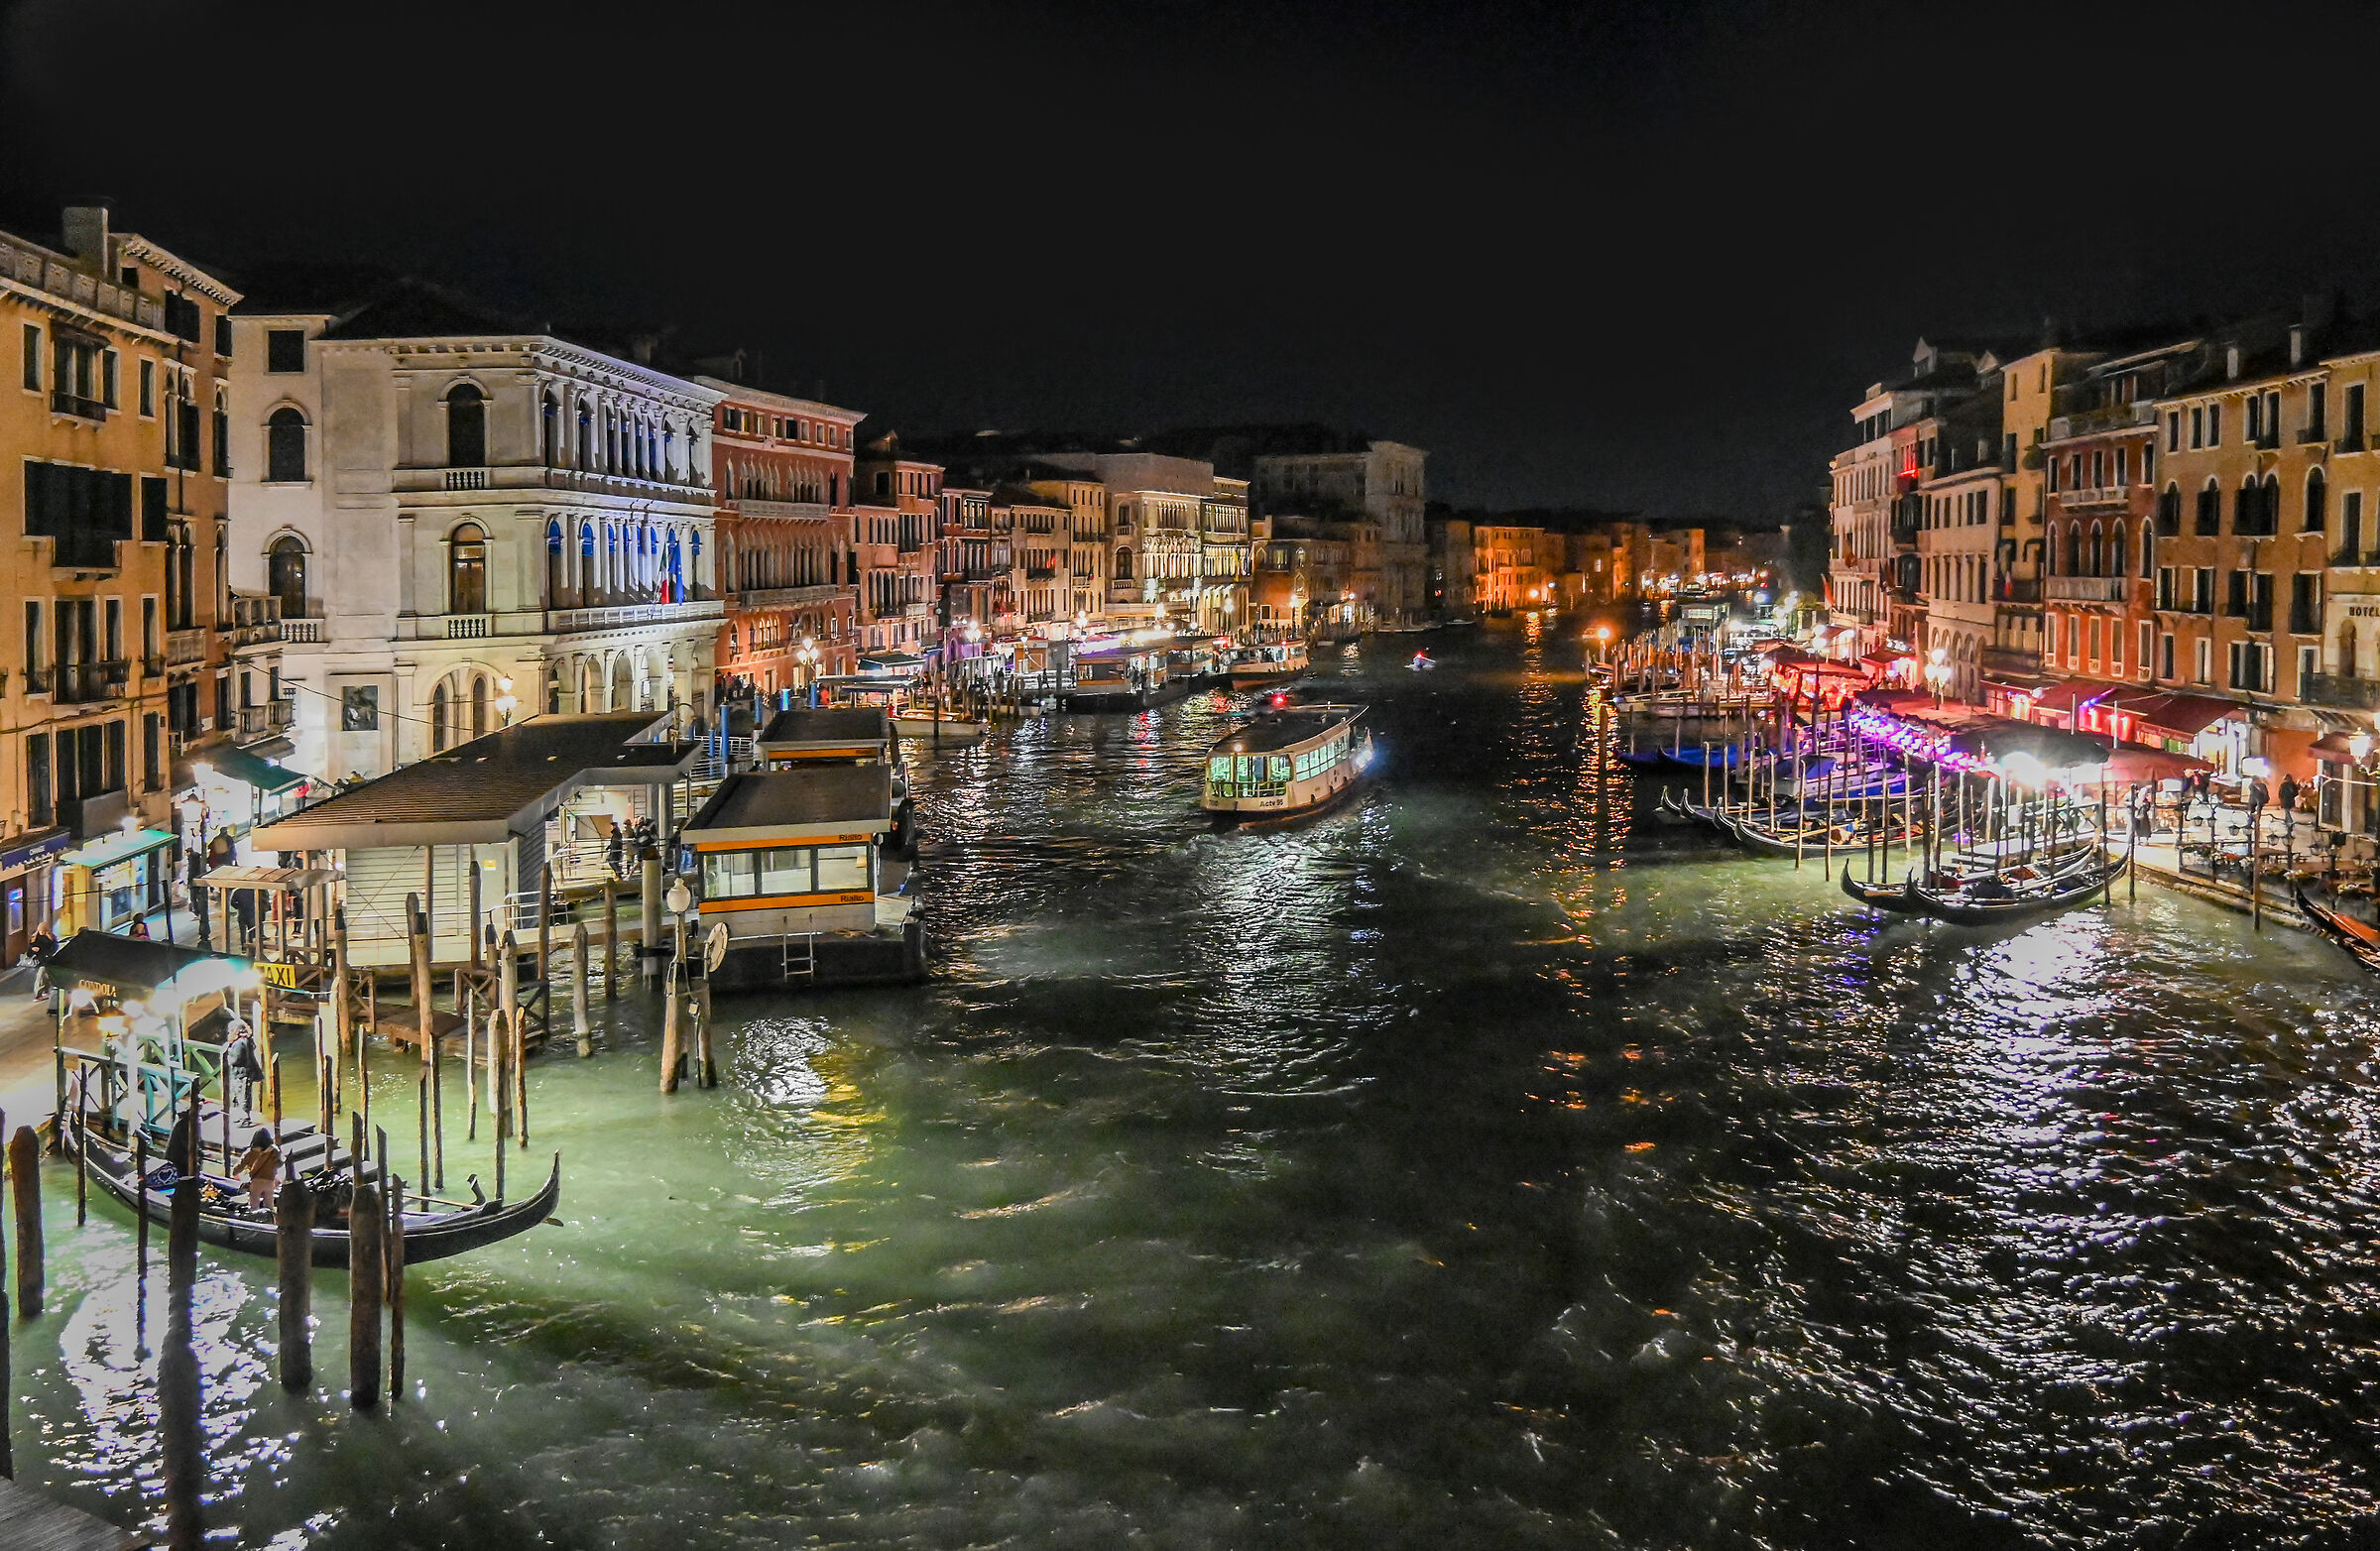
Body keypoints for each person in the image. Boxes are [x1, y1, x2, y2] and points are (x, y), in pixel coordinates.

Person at [235, 1128, 280, 1213]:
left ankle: (254, 1221)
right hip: (270, 1182)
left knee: (253, 1206)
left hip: (256, 1182)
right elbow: (279, 1163)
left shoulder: (251, 1153)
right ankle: (269, 1222)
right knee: (269, 1206)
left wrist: (235, 1171)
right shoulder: (274, 1151)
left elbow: (240, 1166)